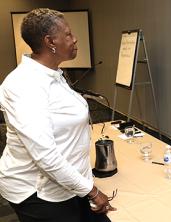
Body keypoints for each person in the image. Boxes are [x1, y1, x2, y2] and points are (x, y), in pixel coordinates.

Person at [0, 8, 116, 222]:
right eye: (68, 34)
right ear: (50, 41)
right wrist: (92, 191)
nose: (75, 39)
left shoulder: (54, 75)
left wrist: (85, 184)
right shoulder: (24, 85)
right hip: (38, 192)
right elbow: (46, 156)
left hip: (70, 182)